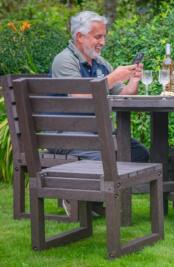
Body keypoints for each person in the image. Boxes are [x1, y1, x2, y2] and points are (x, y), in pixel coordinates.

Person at [51, 11, 149, 216]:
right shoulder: (64, 61)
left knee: (140, 154)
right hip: (67, 137)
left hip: (98, 134)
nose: (103, 42)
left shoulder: (101, 64)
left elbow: (124, 94)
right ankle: (74, 195)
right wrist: (113, 77)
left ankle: (90, 201)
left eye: (104, 36)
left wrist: (134, 79)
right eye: (98, 36)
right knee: (110, 158)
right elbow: (79, 97)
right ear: (80, 36)